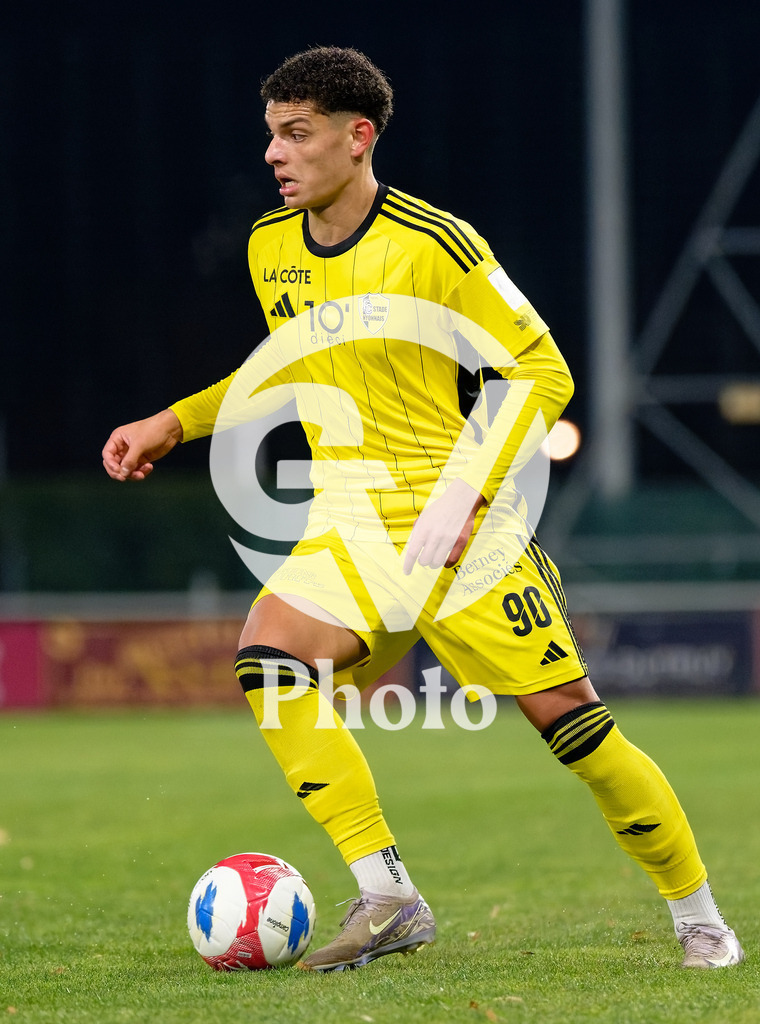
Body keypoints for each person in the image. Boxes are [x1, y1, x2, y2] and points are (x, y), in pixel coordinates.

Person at [102, 45, 744, 973]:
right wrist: (175, 420)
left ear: (358, 138)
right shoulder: (268, 248)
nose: (277, 155)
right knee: (270, 659)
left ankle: (700, 917)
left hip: (466, 534)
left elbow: (543, 371)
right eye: (272, 136)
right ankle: (387, 893)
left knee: (579, 732)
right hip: (352, 528)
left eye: (298, 134)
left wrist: (470, 485)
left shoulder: (436, 244)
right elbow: (288, 369)